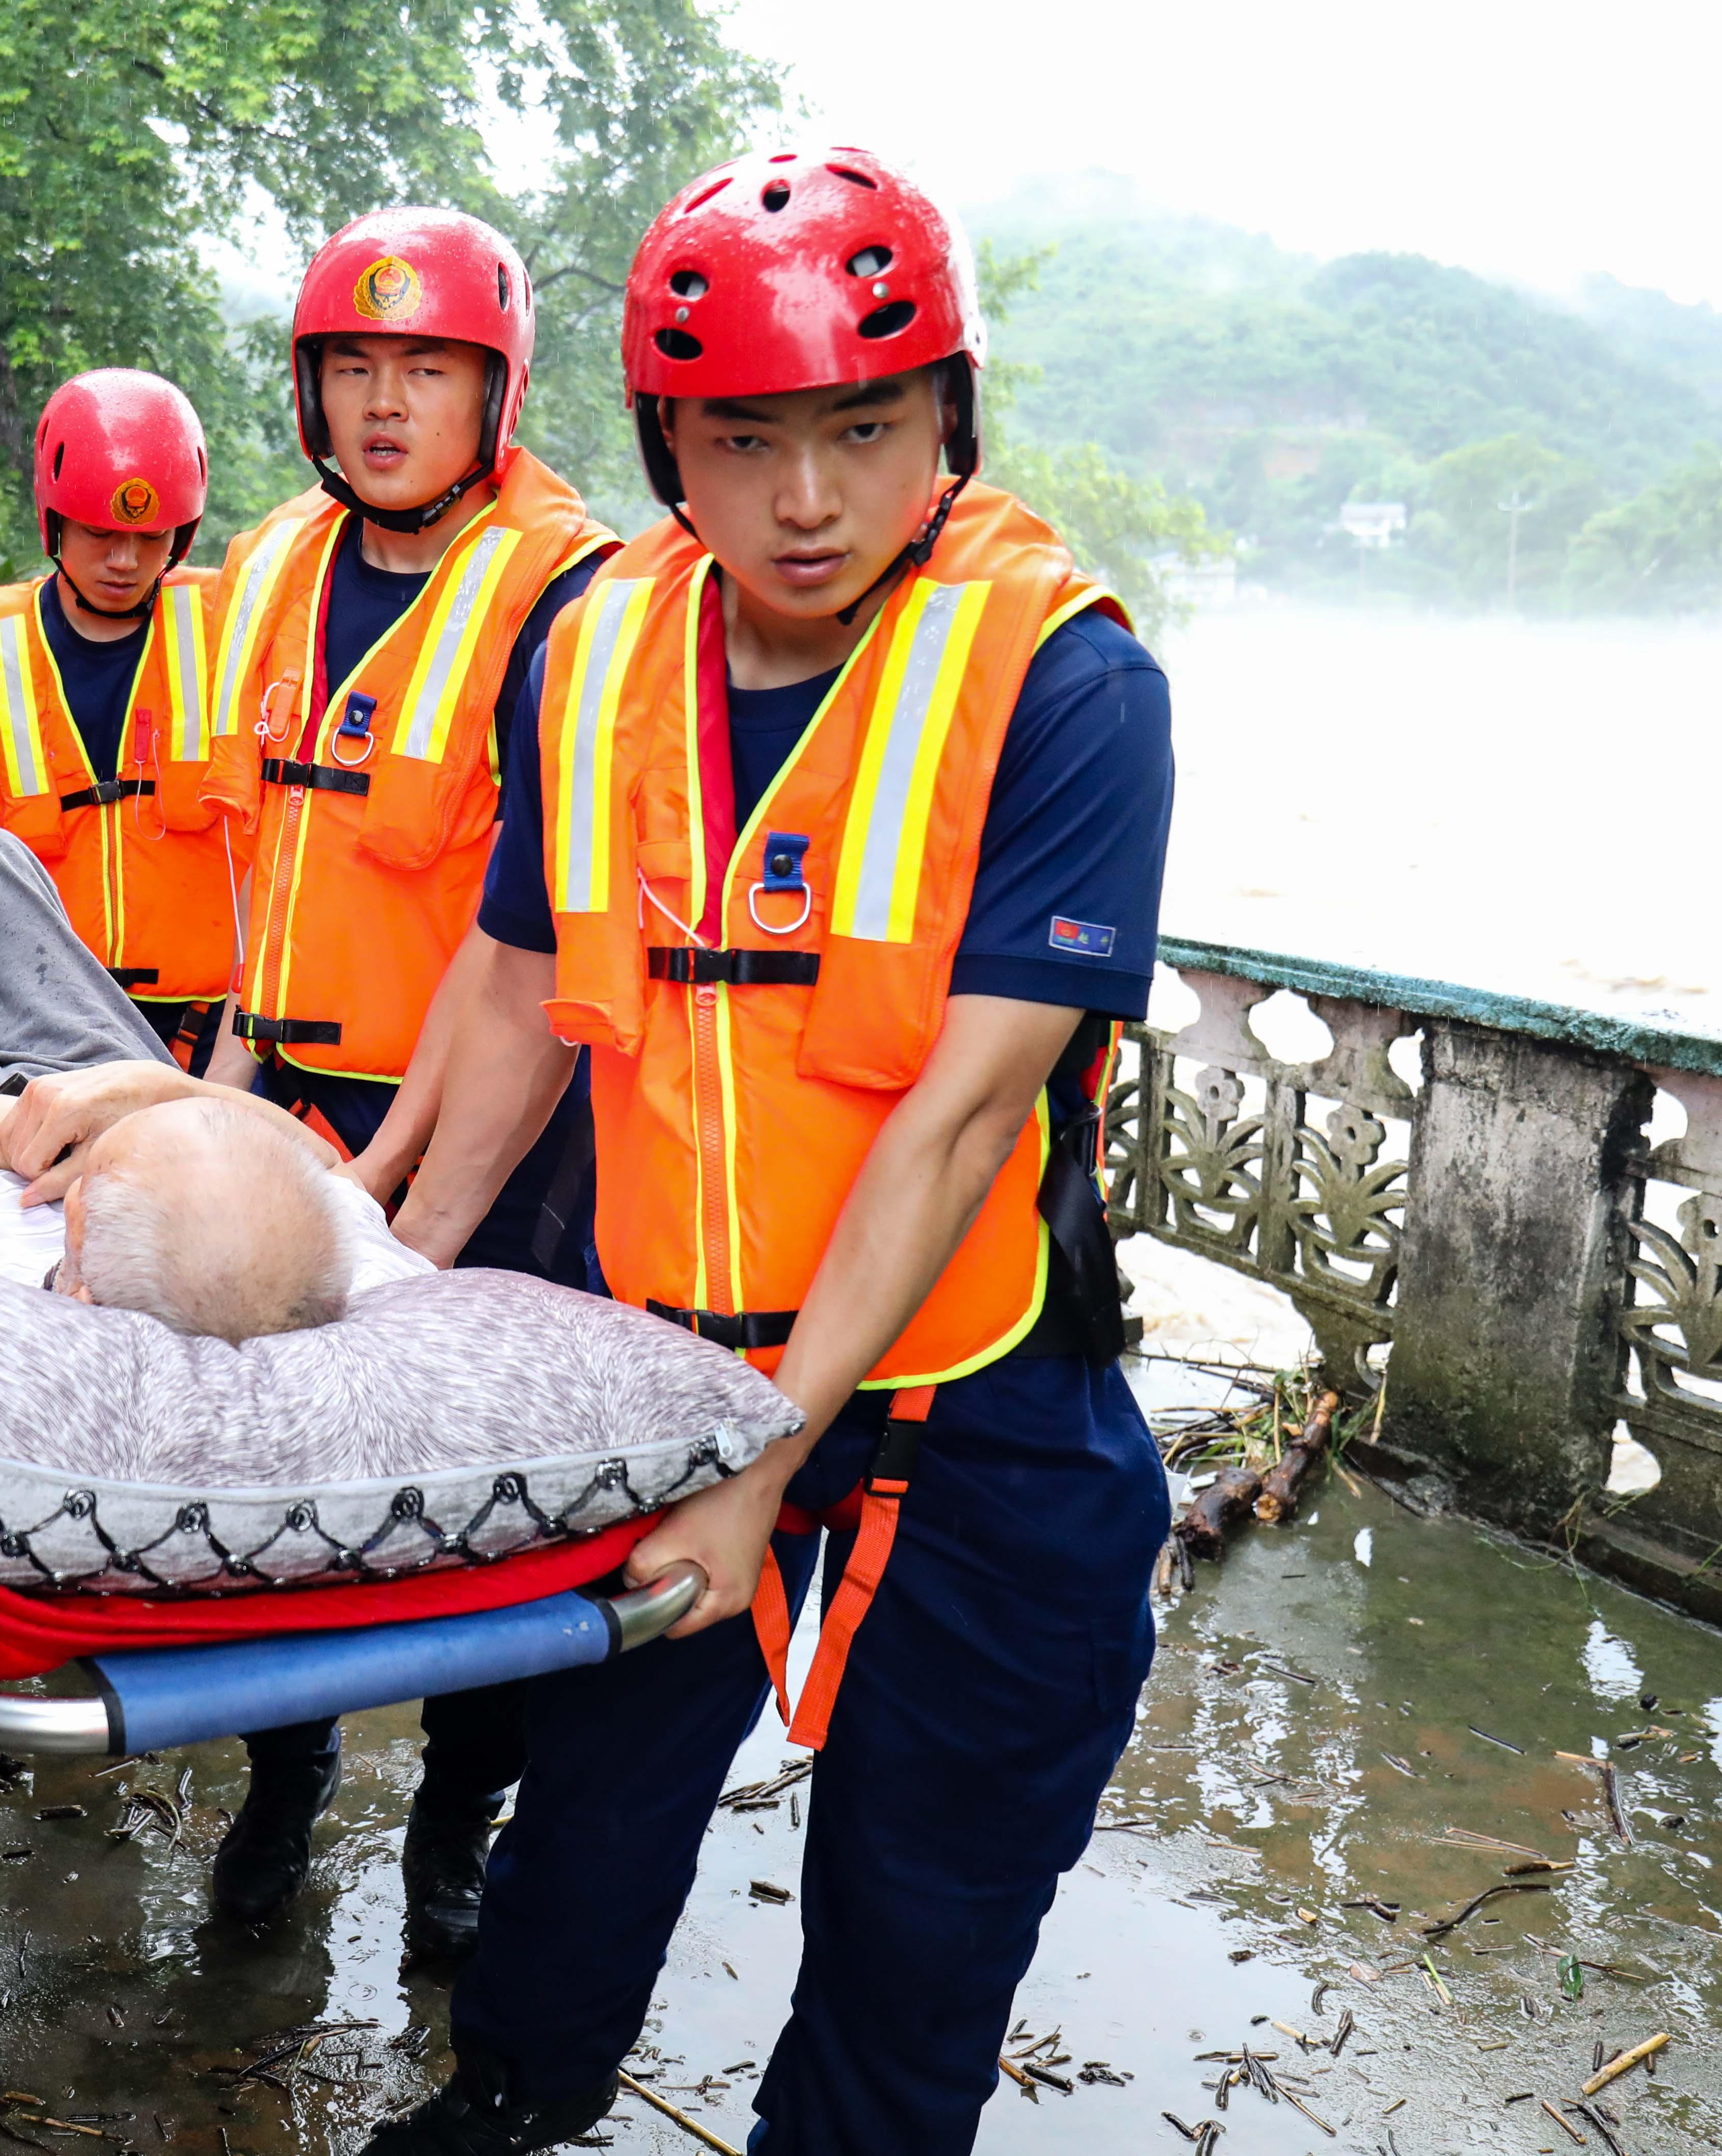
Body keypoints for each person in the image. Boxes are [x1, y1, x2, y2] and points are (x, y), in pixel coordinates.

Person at [359, 150, 1175, 2156]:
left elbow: (963, 1108)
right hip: (664, 1372)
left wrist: (766, 1455)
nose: (805, 500)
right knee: (590, 1824)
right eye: (744, 441)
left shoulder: (1063, 681)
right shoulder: (590, 651)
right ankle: (507, 2102)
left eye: (863, 430)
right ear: (667, 445)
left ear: (945, 423)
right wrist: (387, 1285)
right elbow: (512, 995)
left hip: (966, 1401)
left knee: (917, 1921)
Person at [187, 206, 616, 1948]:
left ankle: (456, 1822)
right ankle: (279, 1793)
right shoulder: (276, 562)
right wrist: (213, 1101)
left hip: (486, 1142)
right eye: (350, 369)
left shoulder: (564, 596)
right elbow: (255, 874)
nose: (381, 404)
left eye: (420, 370)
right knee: (276, 1481)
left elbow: (514, 941)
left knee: (474, 1496)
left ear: (490, 392)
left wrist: (408, 1213)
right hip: (286, 1102)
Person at [0, 817, 432, 1330]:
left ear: (78, 1279)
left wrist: (50, 1133)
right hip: (113, 1090)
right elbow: (324, 1168)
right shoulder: (313, 1277)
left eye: (99, 1167)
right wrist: (163, 1094)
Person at [0, 370, 233, 1069]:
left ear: (180, 535)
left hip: (203, 1035)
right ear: (54, 521)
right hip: (32, 1033)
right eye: (99, 533)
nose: (125, 561)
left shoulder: (229, 647)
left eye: (150, 537)